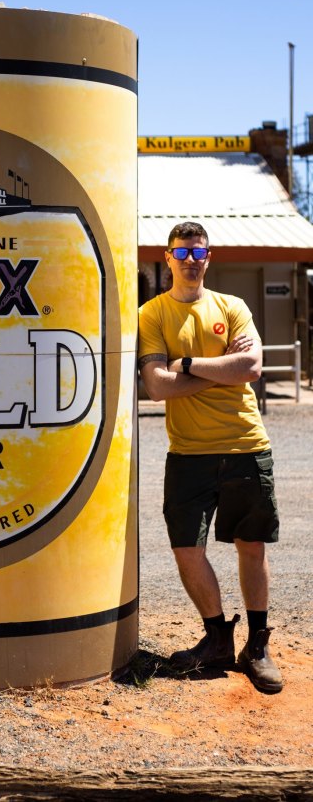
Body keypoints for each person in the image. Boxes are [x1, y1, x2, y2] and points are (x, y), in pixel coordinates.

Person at [138, 221, 283, 694]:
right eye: (181, 254)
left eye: (198, 253)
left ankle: (256, 646)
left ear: (209, 256)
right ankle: (218, 638)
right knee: (187, 550)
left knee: (251, 545)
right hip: (189, 453)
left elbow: (253, 368)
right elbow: (156, 387)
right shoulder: (153, 313)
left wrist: (183, 365)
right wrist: (223, 371)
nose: (190, 261)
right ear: (168, 258)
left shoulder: (232, 307)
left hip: (245, 444)